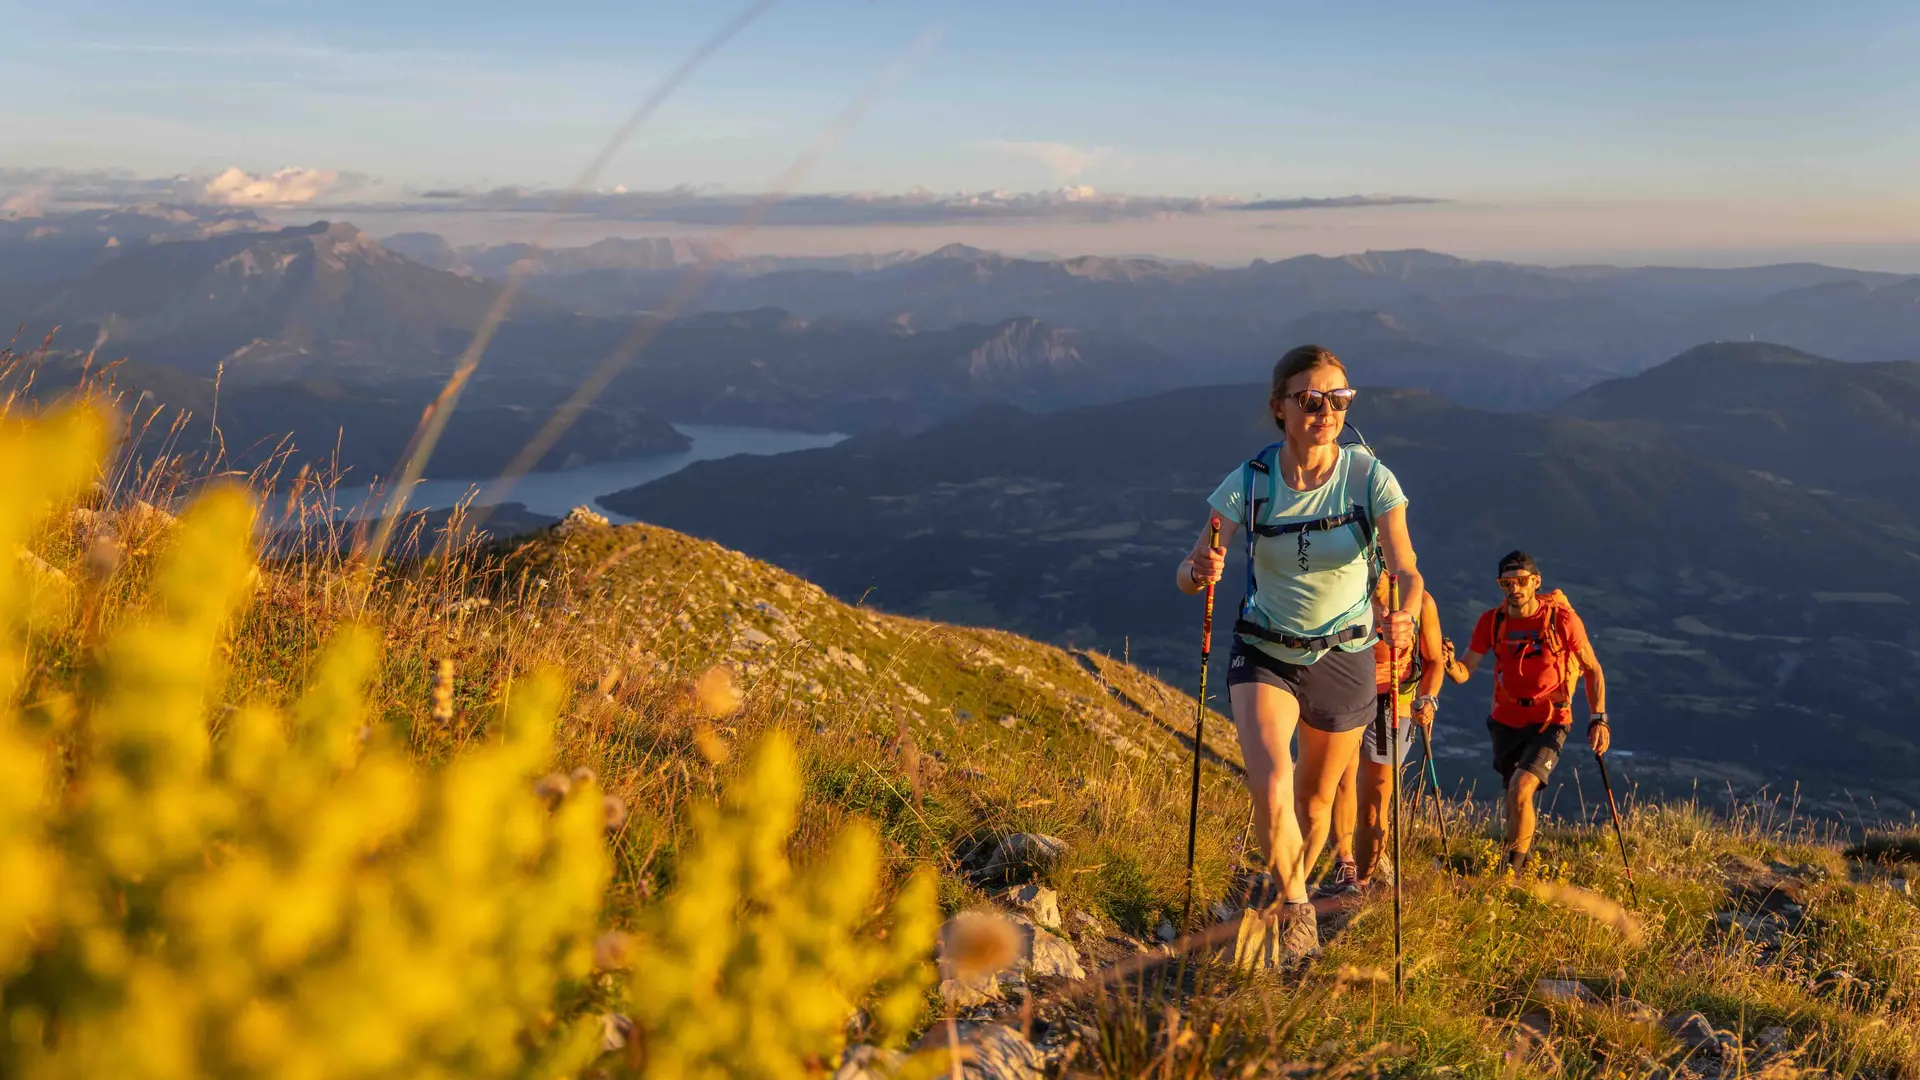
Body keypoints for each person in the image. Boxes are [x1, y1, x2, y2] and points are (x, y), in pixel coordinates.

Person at [1180, 344, 1423, 965]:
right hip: (1264, 648)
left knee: (1315, 804)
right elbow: (1189, 570)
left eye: (1338, 400)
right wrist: (1199, 571)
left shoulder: (1370, 478)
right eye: (1310, 400)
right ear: (1279, 408)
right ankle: (1295, 908)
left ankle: (1282, 897)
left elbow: (1406, 569)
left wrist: (1406, 613)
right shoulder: (1249, 482)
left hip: (1346, 654)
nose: (1326, 412)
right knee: (1271, 782)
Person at [1446, 550, 1610, 876]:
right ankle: (1522, 863)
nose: (1514, 588)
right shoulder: (1492, 622)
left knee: (1521, 789)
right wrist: (1448, 662)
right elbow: (1465, 671)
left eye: (1521, 581)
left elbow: (1592, 669)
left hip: (1551, 720)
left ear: (1536, 581)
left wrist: (1598, 718)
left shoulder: (1562, 620)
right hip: (1505, 720)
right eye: (1506, 583)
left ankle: (1511, 874)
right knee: (1514, 798)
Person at [1319, 579, 1447, 898]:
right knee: (1342, 779)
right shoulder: (1343, 586)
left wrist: (1428, 699)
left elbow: (1434, 661)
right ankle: (1346, 867)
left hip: (1393, 701)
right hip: (1346, 693)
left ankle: (1362, 880)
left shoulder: (1421, 603)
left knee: (1375, 801)